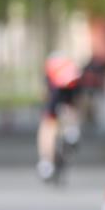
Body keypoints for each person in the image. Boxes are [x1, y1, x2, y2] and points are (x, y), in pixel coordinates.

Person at [36, 52, 83, 182]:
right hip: (71, 87)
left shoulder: (50, 75)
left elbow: (45, 96)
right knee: (71, 109)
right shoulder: (71, 70)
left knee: (48, 125)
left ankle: (46, 163)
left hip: (58, 88)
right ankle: (72, 132)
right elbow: (77, 100)